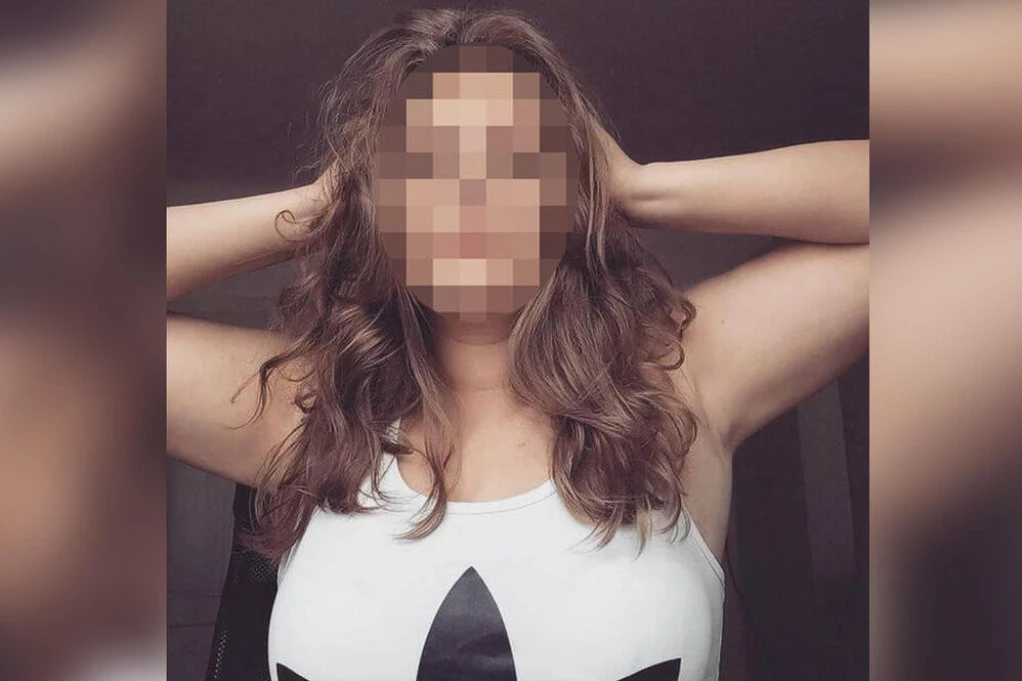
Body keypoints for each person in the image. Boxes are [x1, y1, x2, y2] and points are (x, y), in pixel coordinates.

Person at [167, 9, 868, 681]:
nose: (469, 195)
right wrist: (322, 206)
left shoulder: (677, 382)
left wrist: (638, 186)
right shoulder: (304, 410)